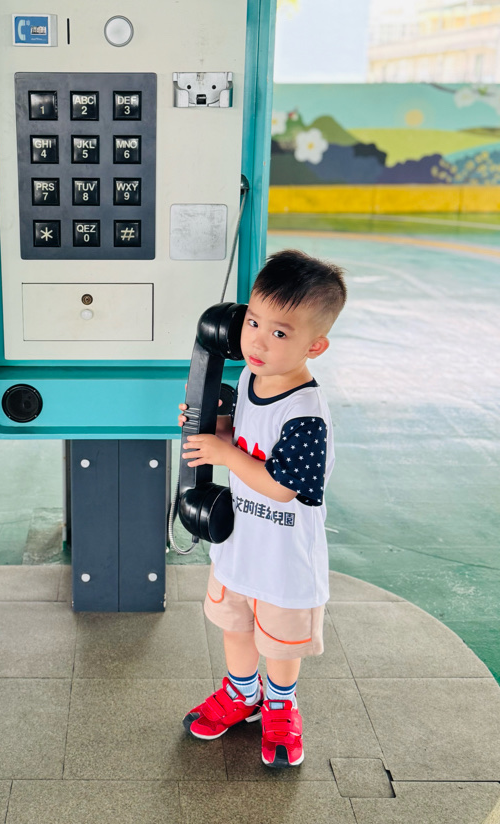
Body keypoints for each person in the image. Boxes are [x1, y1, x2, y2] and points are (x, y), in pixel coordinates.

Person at [178, 249, 346, 768]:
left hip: (283, 557)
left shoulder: (305, 413)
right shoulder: (253, 381)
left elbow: (281, 486)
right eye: (252, 322)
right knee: (236, 625)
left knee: (280, 642)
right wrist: (215, 427)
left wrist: (224, 454)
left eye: (278, 332)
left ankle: (279, 704)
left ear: (314, 346)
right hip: (241, 543)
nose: (256, 341)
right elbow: (249, 441)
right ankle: (241, 693)